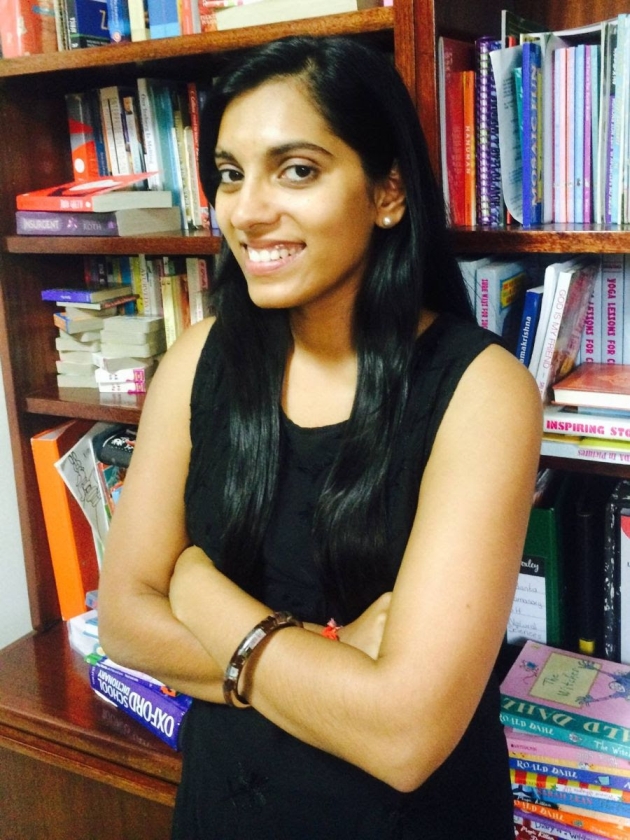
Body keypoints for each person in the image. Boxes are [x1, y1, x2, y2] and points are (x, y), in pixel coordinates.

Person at [98, 34, 542, 839]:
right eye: (230, 173)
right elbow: (125, 623)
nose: (247, 210)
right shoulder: (200, 359)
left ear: (388, 191)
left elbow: (404, 737)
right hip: (224, 810)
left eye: (296, 170)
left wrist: (196, 590)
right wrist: (331, 653)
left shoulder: (481, 391)